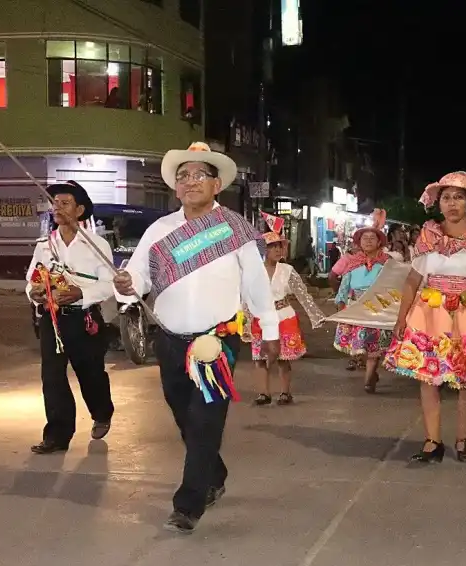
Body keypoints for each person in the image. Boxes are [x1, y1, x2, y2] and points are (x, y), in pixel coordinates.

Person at [112, 142, 280, 535]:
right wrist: (127, 282)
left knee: (205, 419)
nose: (190, 182)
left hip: (214, 341)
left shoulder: (235, 229)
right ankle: (213, 473)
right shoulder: (160, 230)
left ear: (216, 184)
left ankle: (188, 504)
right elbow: (139, 277)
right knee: (184, 415)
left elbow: (257, 285)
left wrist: (268, 331)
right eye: (183, 176)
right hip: (169, 339)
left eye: (198, 175)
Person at [384, 172, 466, 464]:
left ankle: (463, 438)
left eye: (458, 197)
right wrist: (401, 317)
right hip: (431, 313)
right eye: (446, 197)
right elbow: (413, 278)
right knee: (428, 377)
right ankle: (433, 441)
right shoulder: (429, 236)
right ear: (438, 203)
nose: (452, 203)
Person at [26, 181, 116, 455]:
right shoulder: (44, 246)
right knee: (52, 377)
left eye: (64, 203)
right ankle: (57, 434)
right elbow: (30, 280)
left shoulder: (97, 245)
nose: (57, 208)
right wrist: (36, 294)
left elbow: (109, 283)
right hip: (52, 320)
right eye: (55, 203)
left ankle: (101, 412)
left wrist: (81, 293)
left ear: (79, 210)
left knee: (90, 374)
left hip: (84, 320)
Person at [249, 224, 326, 406]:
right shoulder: (252, 271)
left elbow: (303, 295)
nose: (277, 250)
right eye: (272, 246)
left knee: (283, 357)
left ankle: (285, 392)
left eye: (279, 246)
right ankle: (263, 393)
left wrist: (316, 315)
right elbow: (244, 297)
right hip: (260, 318)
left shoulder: (287, 270)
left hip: (284, 317)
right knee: (260, 357)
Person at [333, 209, 394, 393]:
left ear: (379, 243)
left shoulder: (387, 263)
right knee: (361, 347)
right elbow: (344, 285)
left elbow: (393, 287)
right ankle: (371, 374)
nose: (368, 241)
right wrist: (341, 303)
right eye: (364, 238)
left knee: (374, 347)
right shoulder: (352, 262)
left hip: (378, 308)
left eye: (372, 238)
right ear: (359, 242)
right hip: (356, 308)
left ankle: (368, 380)